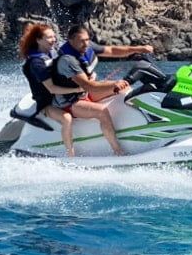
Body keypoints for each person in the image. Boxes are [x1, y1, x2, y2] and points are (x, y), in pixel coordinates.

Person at [17, 22, 127, 158]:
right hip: (48, 102)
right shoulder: (37, 63)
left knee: (120, 88)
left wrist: (87, 78)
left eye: (54, 36)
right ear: (38, 40)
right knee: (67, 118)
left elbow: (68, 71)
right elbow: (52, 88)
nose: (54, 40)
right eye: (49, 38)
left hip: (71, 95)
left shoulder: (54, 53)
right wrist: (80, 87)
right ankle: (73, 155)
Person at [57, 24, 156, 103]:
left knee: (125, 89)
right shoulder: (67, 59)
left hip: (88, 90)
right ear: (70, 40)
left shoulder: (87, 46)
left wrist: (138, 49)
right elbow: (88, 86)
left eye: (87, 40)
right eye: (81, 41)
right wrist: (115, 84)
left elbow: (112, 50)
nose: (86, 44)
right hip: (73, 98)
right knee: (120, 89)